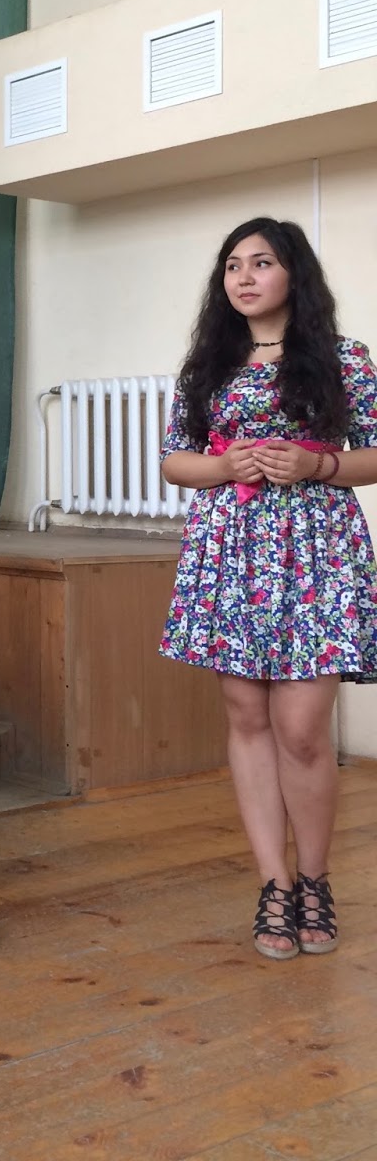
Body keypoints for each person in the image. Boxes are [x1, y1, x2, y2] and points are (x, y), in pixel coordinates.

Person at [160, 217, 377, 960]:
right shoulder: (207, 365)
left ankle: (316, 880)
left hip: (317, 551)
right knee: (247, 718)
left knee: (303, 731)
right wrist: (225, 466)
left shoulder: (343, 357)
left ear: (294, 274)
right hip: (231, 550)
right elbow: (176, 461)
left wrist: (317, 465)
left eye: (261, 263)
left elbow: (375, 453)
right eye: (232, 265)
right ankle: (275, 885)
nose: (244, 277)